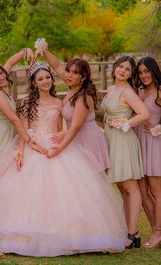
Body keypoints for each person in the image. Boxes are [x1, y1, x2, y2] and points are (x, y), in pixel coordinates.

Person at [0, 62, 127, 256]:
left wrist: (62, 139)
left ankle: (71, 234)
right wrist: (21, 151)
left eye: (47, 77)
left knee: (66, 191)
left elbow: (61, 128)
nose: (45, 81)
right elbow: (22, 130)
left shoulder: (60, 103)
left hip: (56, 148)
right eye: (40, 79)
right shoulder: (26, 103)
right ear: (33, 82)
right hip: (33, 147)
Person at [34, 41, 110, 171]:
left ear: (83, 77)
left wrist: (59, 148)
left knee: (91, 183)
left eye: (75, 72)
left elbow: (75, 127)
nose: (69, 75)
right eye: (68, 71)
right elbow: (57, 66)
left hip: (87, 140)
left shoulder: (83, 96)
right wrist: (43, 50)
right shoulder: (73, 85)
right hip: (73, 139)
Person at [100, 56, 150, 248]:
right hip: (112, 140)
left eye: (128, 69)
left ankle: (133, 234)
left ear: (131, 74)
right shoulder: (113, 89)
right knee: (122, 188)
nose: (123, 71)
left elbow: (144, 114)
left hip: (123, 141)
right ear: (114, 68)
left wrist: (125, 123)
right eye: (121, 66)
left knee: (130, 187)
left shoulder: (128, 92)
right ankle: (128, 229)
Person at [0, 48, 45, 177]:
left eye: (1, 73)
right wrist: (29, 141)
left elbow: (10, 63)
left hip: (9, 129)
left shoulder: (0, 87)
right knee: (3, 171)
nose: (1, 77)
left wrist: (25, 51)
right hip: (2, 133)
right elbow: (14, 119)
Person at [135, 57, 161, 249]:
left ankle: (157, 233)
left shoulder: (160, 92)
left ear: (154, 71)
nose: (144, 75)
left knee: (156, 190)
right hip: (138, 144)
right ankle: (156, 228)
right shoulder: (138, 91)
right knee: (142, 192)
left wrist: (157, 127)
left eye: (147, 71)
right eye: (141, 72)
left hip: (154, 143)